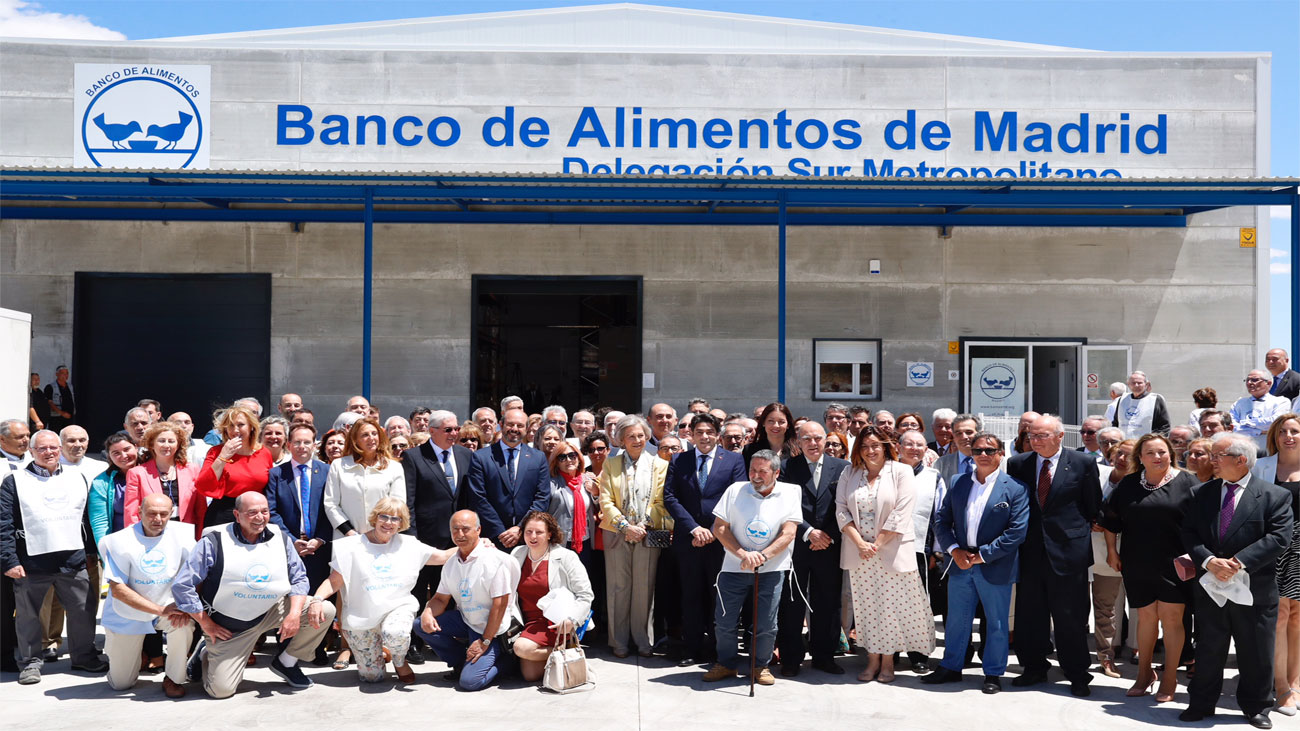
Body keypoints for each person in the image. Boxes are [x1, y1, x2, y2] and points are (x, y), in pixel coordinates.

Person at [172, 492, 334, 698]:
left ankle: (286, 663)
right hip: (229, 626)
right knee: (221, 691)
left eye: (264, 511)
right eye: (252, 512)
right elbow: (183, 585)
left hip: (271, 610)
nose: (260, 517)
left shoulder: (281, 539)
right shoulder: (213, 541)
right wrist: (206, 623)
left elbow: (299, 579)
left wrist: (294, 614)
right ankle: (205, 653)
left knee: (324, 610)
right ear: (237, 515)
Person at [1180, 433, 1293, 727]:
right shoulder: (1200, 493)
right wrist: (1208, 561)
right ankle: (1201, 703)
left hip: (1255, 589)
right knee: (1208, 647)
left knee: (1256, 650)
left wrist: (1237, 563)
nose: (1212, 461)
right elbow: (1188, 532)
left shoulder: (1274, 496)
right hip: (1210, 587)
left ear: (1241, 460)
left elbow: (1279, 538)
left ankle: (1257, 707)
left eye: (1217, 456)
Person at [307, 497, 466, 683]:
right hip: (362, 616)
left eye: (395, 518)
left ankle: (399, 660)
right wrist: (317, 600)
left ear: (401, 523)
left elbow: (444, 556)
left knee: (396, 633)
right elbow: (334, 581)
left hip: (397, 608)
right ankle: (382, 652)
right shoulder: (352, 546)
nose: (389, 523)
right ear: (375, 518)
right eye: (384, 516)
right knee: (372, 677)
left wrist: (476, 543)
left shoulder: (409, 545)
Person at [923, 431, 1029, 695]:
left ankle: (993, 672)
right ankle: (951, 666)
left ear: (1000, 454)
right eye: (978, 450)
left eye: (989, 450)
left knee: (996, 623)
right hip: (960, 562)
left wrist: (982, 555)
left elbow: (1016, 532)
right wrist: (954, 550)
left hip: (995, 564)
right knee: (957, 620)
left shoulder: (1015, 488)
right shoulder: (958, 482)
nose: (983, 455)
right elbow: (942, 521)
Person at [1008, 414, 1103, 696]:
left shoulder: (1083, 463)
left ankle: (1077, 673)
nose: (1035, 441)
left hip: (1069, 553)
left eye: (1042, 435)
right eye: (1032, 436)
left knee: (1070, 617)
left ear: (1060, 436)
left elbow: (1092, 505)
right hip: (1031, 551)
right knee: (1030, 615)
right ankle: (1034, 668)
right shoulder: (1018, 464)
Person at [2, 430, 106, 686]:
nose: (48, 452)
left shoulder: (77, 477)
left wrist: (90, 552)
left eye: (53, 447)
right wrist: (9, 560)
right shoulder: (14, 481)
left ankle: (84, 656)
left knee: (83, 611)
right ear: (32, 452)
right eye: (42, 448)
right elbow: (4, 524)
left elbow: (85, 518)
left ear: (60, 449)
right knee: (28, 617)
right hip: (31, 563)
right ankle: (30, 663)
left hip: (72, 560)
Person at [1100, 433, 1197, 703]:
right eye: (1150, 453)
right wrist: (1112, 551)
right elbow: (1111, 520)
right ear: (1140, 458)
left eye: (1162, 452)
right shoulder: (1129, 484)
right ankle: (1144, 674)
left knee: (1172, 619)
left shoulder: (1188, 482)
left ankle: (1169, 678)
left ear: (1171, 454)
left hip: (1176, 563)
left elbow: (1203, 523)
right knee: (1146, 618)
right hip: (1137, 561)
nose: (1157, 457)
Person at [835, 425, 934, 682]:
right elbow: (841, 510)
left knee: (890, 609)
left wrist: (876, 544)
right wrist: (860, 543)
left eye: (875, 445)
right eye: (865, 446)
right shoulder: (850, 472)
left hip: (891, 550)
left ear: (885, 446)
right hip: (860, 553)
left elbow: (902, 511)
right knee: (867, 608)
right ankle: (872, 659)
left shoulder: (901, 471)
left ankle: (888, 661)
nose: (870, 451)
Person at [701, 449, 800, 686]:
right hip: (734, 567)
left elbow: (789, 532)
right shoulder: (735, 490)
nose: (755, 476)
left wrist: (763, 556)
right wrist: (743, 554)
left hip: (771, 569)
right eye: (752, 470)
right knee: (724, 621)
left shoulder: (790, 492)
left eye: (762, 472)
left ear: (776, 473)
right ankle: (726, 664)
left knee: (766, 624)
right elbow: (720, 527)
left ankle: (760, 666)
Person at [662, 413, 747, 666]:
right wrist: (694, 529)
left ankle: (719, 649)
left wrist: (712, 529)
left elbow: (737, 496)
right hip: (688, 539)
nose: (705, 437)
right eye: (699, 432)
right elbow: (670, 497)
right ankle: (692, 648)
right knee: (690, 594)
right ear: (692, 435)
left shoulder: (733, 460)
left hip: (721, 539)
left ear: (718, 435)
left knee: (718, 594)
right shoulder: (679, 460)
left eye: (709, 432)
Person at [98, 494, 195, 697]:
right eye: (151, 513)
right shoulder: (118, 541)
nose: (158, 519)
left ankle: (174, 678)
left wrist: (185, 606)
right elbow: (118, 590)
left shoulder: (184, 535)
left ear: (171, 513)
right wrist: (160, 610)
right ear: (139, 512)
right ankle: (137, 655)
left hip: (167, 607)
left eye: (164, 514)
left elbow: (195, 576)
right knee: (121, 684)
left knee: (183, 623)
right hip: (126, 613)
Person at [412, 510, 518, 691]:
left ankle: (508, 662)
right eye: (455, 529)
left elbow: (499, 605)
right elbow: (440, 599)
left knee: (470, 682)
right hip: (467, 620)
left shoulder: (494, 560)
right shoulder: (451, 563)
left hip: (492, 628)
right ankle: (462, 662)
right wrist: (428, 612)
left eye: (465, 529)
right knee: (420, 624)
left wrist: (484, 642)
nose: (460, 534)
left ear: (478, 530)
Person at [776, 420, 850, 676]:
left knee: (827, 603)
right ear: (798, 441)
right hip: (796, 544)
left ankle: (824, 656)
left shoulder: (842, 468)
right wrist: (809, 532)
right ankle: (790, 658)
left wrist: (827, 535)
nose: (813, 443)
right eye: (806, 439)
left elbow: (845, 505)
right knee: (792, 602)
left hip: (829, 545)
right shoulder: (786, 467)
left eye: (818, 438)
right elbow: (783, 506)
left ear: (825, 440)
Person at [402, 409, 473, 665]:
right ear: (432, 431)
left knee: (452, 591)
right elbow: (408, 501)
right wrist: (412, 539)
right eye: (448, 430)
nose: (454, 434)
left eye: (456, 429)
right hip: (425, 539)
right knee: (419, 592)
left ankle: (444, 639)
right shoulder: (414, 457)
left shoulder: (465, 455)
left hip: (457, 539)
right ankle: (414, 643)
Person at [598, 414, 671, 658]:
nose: (637, 440)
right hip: (616, 533)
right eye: (631, 436)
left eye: (641, 435)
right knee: (618, 588)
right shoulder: (610, 464)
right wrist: (624, 526)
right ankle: (618, 641)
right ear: (621, 439)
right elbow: (605, 500)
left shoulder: (659, 464)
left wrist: (642, 525)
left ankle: (642, 640)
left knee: (644, 587)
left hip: (647, 533)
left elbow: (660, 501)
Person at [509, 511, 595, 682]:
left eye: (539, 532)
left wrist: (572, 620)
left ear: (550, 534)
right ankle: (565, 653)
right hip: (528, 622)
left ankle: (569, 650)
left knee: (521, 648)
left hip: (556, 623)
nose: (533, 536)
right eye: (528, 531)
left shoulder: (566, 557)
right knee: (530, 675)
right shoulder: (517, 553)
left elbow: (585, 595)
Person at [1253, 414, 1300, 716]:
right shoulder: (1261, 467)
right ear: (1274, 436)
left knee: (1297, 617)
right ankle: (1280, 686)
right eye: (1282, 431)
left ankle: (1295, 682)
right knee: (1279, 616)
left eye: (1294, 431)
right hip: (1273, 546)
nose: (1288, 436)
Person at [266, 424, 333, 600]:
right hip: (288, 548)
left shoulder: (327, 472)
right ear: (288, 445)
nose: (302, 446)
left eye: (306, 442)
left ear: (314, 445)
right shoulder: (276, 474)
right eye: (297, 442)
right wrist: (292, 541)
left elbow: (332, 508)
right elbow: (272, 512)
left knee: (319, 601)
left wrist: (320, 539)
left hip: (320, 549)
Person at [467, 408, 550, 550]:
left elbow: (542, 497)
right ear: (501, 425)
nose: (515, 429)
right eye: (510, 424)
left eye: (520, 425)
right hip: (492, 538)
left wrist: (521, 528)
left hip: (527, 537)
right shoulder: (481, 457)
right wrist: (500, 532)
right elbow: (478, 497)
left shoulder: (538, 457)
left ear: (527, 428)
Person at [897, 428, 945, 672]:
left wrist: (936, 551)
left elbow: (940, 515)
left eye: (919, 445)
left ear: (926, 450)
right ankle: (890, 651)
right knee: (891, 601)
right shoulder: (886, 472)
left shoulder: (933, 477)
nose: (914, 449)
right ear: (898, 447)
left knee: (917, 603)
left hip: (919, 549)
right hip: (888, 548)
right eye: (909, 444)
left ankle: (918, 654)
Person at [323, 418, 405, 539]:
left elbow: (397, 504)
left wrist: (378, 533)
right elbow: (331, 504)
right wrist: (349, 532)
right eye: (365, 435)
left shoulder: (394, 467)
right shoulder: (338, 465)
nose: (371, 438)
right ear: (355, 440)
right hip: (346, 538)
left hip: (383, 538)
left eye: (374, 434)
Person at [195, 405, 274, 529]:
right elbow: (203, 486)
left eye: (240, 425)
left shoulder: (264, 453)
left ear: (251, 427)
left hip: (255, 514)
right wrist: (223, 457)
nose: (235, 430)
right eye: (231, 426)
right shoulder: (216, 452)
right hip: (224, 512)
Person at [125, 421, 203, 539]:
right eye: (161, 441)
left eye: (171, 441)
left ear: (178, 445)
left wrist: (199, 536)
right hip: (150, 533)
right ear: (152, 444)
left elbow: (200, 508)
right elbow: (131, 512)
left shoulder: (193, 470)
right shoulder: (137, 473)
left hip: (185, 531)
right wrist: (135, 538)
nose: (166, 445)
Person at [546, 442, 598, 558]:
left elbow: (598, 508)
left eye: (572, 455)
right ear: (556, 462)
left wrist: (595, 493)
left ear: (579, 458)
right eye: (562, 457)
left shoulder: (587, 480)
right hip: (560, 543)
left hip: (585, 540)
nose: (568, 460)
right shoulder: (551, 484)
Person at [89, 433, 139, 548]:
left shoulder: (152, 472)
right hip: (120, 544)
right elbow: (100, 522)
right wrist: (105, 550)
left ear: (136, 447)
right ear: (109, 456)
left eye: (127, 449)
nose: (124, 455)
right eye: (116, 453)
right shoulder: (101, 482)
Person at [1232, 370, 1292, 451]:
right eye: (1247, 380)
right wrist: (1260, 431)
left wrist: (1245, 423)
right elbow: (1232, 427)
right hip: (1242, 449)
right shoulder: (1239, 403)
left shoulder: (1281, 402)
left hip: (1270, 450)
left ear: (1268, 383)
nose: (1249, 383)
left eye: (1254, 380)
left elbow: (1275, 423)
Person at [1113, 371, 1171, 438]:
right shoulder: (1122, 400)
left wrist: (1153, 441)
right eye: (1133, 383)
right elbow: (1115, 423)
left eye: (1139, 383)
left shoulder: (1156, 399)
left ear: (1146, 384)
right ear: (1128, 384)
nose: (1136, 385)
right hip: (1125, 442)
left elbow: (1165, 426)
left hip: (1146, 442)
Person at [743, 402, 797, 468]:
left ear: (788, 424)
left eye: (781, 422)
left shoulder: (798, 450)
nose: (776, 425)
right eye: (771, 421)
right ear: (763, 423)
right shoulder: (750, 450)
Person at [43, 366, 75, 432]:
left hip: (69, 418)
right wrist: (62, 413)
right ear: (57, 374)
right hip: (56, 418)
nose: (65, 375)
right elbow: (50, 402)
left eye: (67, 373)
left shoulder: (70, 386)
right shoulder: (50, 387)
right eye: (62, 373)